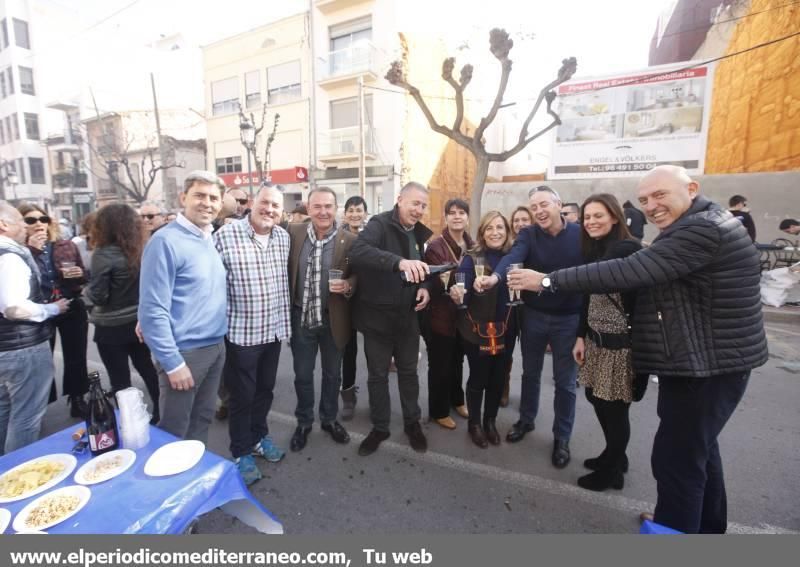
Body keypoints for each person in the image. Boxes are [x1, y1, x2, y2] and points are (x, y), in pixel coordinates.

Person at [515, 165, 768, 533]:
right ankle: (704, 529)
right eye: (646, 198)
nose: (651, 205)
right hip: (701, 362)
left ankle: (674, 528)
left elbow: (626, 271)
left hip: (707, 367)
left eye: (660, 195)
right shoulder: (698, 225)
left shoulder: (702, 228)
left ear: (692, 189)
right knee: (700, 453)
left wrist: (548, 280)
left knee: (676, 462)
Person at [476, 185, 584, 469]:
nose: (538, 211)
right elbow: (513, 258)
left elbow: (589, 277)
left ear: (558, 204)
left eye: (543, 205)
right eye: (533, 207)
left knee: (565, 382)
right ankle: (526, 419)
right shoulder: (527, 234)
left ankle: (562, 437)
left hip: (568, 319)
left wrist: (584, 330)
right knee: (530, 373)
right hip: (534, 315)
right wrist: (497, 279)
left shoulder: (580, 234)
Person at [138, 171, 227, 443]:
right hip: (185, 353)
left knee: (201, 422)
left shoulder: (207, 237)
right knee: (174, 433)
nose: (207, 203)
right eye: (199, 195)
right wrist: (173, 363)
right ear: (183, 198)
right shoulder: (165, 241)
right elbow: (152, 308)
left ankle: (196, 479)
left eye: (213, 198)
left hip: (214, 347)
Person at [349, 181, 433, 456]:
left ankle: (412, 423)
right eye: (415, 203)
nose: (419, 209)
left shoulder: (419, 233)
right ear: (400, 200)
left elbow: (425, 271)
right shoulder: (379, 224)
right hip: (377, 318)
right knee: (377, 375)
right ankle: (380, 427)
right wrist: (398, 262)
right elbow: (359, 252)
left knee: (409, 373)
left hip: (407, 319)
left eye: (423, 205)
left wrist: (425, 288)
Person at [214, 184, 291, 484]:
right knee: (242, 396)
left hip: (273, 330)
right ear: (253, 203)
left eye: (275, 206)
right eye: (266, 202)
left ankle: (260, 438)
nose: (270, 210)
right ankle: (241, 450)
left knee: (265, 390)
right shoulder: (224, 237)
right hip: (241, 334)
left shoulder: (283, 237)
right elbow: (210, 285)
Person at [571, 194, 643, 492]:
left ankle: (611, 472)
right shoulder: (596, 250)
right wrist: (581, 335)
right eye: (587, 217)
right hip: (597, 341)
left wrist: (547, 280)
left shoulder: (626, 248)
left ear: (615, 216)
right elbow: (586, 297)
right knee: (596, 397)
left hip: (621, 346)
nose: (591, 222)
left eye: (598, 216)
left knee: (614, 408)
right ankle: (614, 456)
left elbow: (589, 278)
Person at [287, 187, 357, 452]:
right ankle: (304, 422)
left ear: (336, 208)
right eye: (317, 206)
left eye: (328, 206)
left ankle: (329, 419)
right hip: (301, 317)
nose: (323, 212)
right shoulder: (292, 233)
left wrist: (348, 285)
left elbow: (358, 275)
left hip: (333, 320)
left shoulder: (349, 240)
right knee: (303, 375)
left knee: (332, 375)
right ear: (308, 208)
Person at [0, 202, 68, 455]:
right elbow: (13, 307)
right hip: (22, 348)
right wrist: (51, 309)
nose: (25, 227)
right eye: (21, 221)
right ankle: (20, 474)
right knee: (25, 419)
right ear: (4, 225)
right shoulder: (10, 257)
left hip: (9, 349)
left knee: (6, 413)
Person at [85, 204, 160, 424]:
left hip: (111, 326)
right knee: (147, 368)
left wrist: (84, 290)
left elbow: (98, 296)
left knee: (120, 380)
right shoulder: (144, 247)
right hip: (139, 321)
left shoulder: (103, 254)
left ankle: (132, 423)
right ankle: (160, 411)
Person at [19, 203, 90, 418]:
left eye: (43, 219)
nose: (39, 224)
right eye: (31, 220)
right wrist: (31, 249)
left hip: (70, 305)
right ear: (22, 224)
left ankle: (77, 398)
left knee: (76, 356)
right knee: (42, 360)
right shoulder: (18, 250)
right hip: (41, 311)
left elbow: (83, 276)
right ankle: (39, 405)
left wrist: (80, 274)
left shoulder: (64, 244)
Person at [452, 211, 515, 448]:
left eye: (499, 227)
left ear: (507, 231)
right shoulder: (473, 257)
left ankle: (490, 421)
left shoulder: (513, 256)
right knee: (478, 377)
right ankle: (475, 424)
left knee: (498, 379)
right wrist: (458, 293)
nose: (495, 232)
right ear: (482, 233)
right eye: (489, 228)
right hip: (478, 331)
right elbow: (460, 287)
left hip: (506, 329)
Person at [424, 198, 473, 429]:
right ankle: (439, 410)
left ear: (467, 217)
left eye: (461, 212)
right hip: (441, 315)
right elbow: (433, 282)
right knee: (440, 365)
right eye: (451, 212)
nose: (456, 216)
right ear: (445, 217)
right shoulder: (436, 246)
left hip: (464, 316)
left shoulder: (472, 245)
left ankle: (457, 400)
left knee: (457, 362)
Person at [339, 195, 368, 419]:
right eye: (351, 210)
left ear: (365, 213)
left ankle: (378, 396)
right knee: (348, 351)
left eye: (359, 210)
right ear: (345, 213)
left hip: (369, 301)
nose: (355, 214)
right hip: (346, 300)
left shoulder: (372, 237)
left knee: (374, 351)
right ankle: (348, 395)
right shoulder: (338, 237)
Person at [503, 205, 533, 407]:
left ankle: (528, 399)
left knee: (531, 357)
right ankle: (503, 390)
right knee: (507, 352)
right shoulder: (508, 247)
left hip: (531, 307)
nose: (520, 223)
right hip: (510, 306)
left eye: (525, 219)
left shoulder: (538, 244)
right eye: (516, 220)